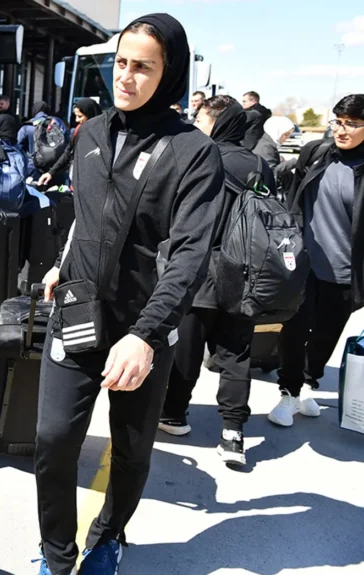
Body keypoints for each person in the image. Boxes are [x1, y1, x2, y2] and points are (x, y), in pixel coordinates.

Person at [34, 14, 223, 575]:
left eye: (143, 67)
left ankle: (109, 537)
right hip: (78, 314)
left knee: (132, 450)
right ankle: (56, 555)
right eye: (121, 62)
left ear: (170, 74)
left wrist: (145, 335)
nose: (127, 76)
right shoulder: (90, 132)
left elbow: (190, 256)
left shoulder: (194, 152)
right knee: (51, 440)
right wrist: (60, 263)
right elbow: (86, 215)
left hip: (145, 328)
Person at [159, 95, 276, 466]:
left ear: (217, 122)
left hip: (199, 273)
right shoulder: (259, 163)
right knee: (235, 354)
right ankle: (233, 433)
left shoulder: (198, 156)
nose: (196, 123)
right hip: (244, 275)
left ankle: (174, 415)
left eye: (202, 118)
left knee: (186, 349)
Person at [272, 94, 364, 427]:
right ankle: (288, 391)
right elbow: (290, 190)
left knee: (327, 334)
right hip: (304, 262)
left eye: (352, 124)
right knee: (294, 329)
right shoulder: (317, 154)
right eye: (338, 121)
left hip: (345, 272)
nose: (342, 129)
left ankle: (308, 384)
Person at [35, 98, 103, 187]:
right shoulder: (79, 131)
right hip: (78, 183)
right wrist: (51, 172)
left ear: (89, 115)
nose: (77, 120)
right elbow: (68, 153)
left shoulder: (104, 133)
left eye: (80, 116)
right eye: (76, 116)